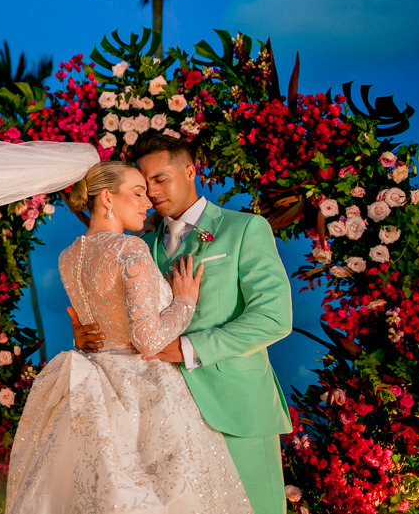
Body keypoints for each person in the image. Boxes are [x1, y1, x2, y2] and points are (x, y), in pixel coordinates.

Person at [6, 160, 253, 514]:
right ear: (107, 198)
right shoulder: (130, 249)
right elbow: (147, 340)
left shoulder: (68, 257)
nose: (147, 202)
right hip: (142, 389)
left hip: (94, 383)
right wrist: (184, 302)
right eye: (137, 193)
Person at [70, 134, 292, 514]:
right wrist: (90, 333)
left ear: (190, 171)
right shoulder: (141, 245)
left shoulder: (245, 228)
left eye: (160, 179)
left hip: (235, 409)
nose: (153, 192)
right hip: (166, 419)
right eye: (144, 184)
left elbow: (273, 318)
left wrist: (188, 348)